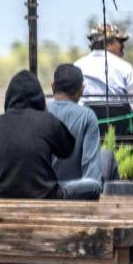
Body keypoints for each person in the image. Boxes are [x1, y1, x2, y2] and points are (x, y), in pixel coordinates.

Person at [0, 70, 74, 199]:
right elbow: (67, 150)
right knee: (92, 186)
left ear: (8, 97)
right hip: (45, 197)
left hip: (1, 197)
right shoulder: (47, 121)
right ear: (40, 97)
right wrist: (45, 112)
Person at [46, 64, 103, 200]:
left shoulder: (38, 111)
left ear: (53, 86)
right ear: (81, 89)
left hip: (40, 193)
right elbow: (92, 177)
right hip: (74, 197)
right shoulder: (87, 116)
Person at [74, 23, 133, 97]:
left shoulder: (77, 66)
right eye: (120, 41)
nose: (123, 45)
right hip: (116, 109)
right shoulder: (125, 67)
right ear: (107, 43)